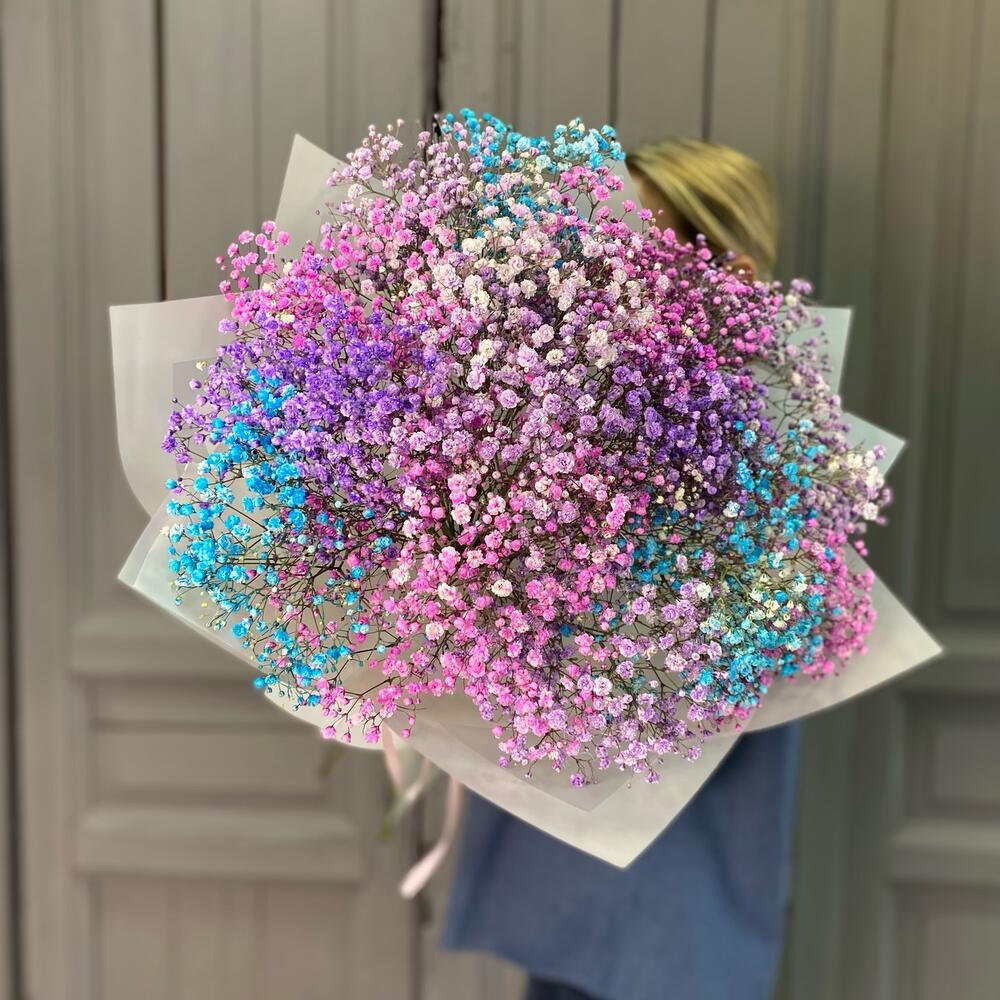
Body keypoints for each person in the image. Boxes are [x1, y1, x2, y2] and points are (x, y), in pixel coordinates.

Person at [440, 138, 799, 1000]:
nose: (605, 274)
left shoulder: (766, 438)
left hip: (680, 826)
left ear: (731, 276)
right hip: (564, 816)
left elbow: (739, 656)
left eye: (639, 251)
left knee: (659, 964)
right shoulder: (575, 399)